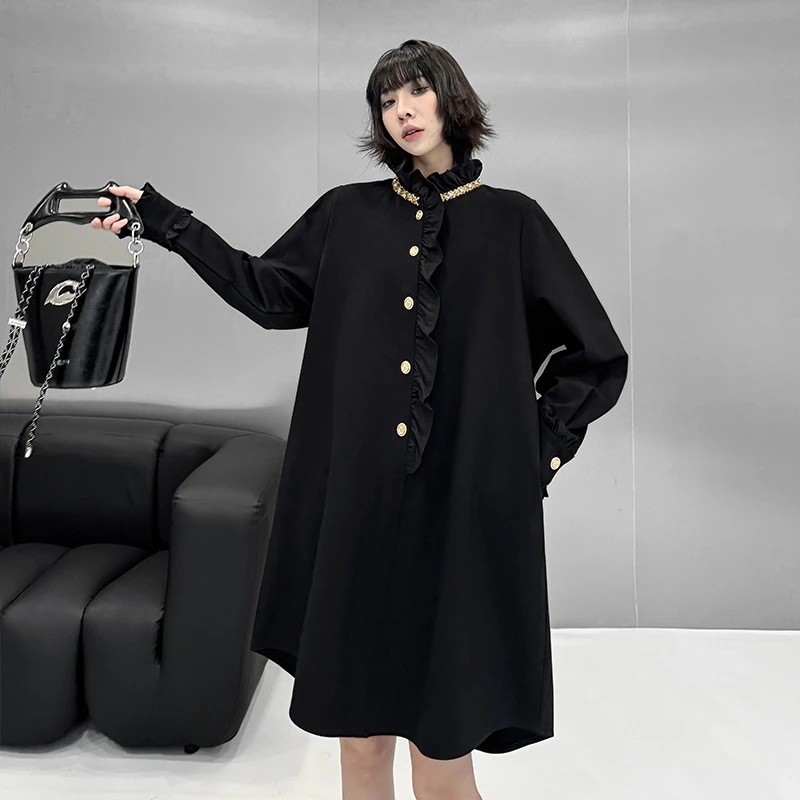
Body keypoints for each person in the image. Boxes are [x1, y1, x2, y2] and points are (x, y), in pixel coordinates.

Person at [92, 38, 628, 800]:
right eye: (386, 99)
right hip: (359, 521)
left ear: (451, 98)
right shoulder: (346, 215)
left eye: (416, 90)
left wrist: (529, 458)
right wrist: (163, 221)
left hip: (458, 529)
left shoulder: (514, 223)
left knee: (443, 763)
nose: (402, 110)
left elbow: (596, 357)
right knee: (362, 745)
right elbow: (265, 292)